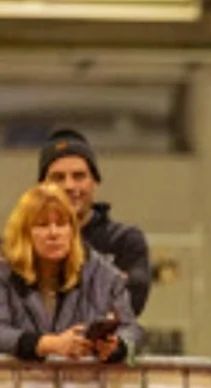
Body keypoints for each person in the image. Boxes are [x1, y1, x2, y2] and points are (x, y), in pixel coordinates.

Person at [0, 183, 143, 362]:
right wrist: (48, 344)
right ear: (24, 234)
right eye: (42, 225)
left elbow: (132, 331)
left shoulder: (105, 275)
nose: (53, 233)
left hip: (85, 378)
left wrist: (117, 346)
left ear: (73, 231)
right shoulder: (4, 274)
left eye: (61, 224)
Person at [37, 128, 152, 316]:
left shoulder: (124, 240)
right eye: (58, 177)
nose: (69, 186)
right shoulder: (17, 245)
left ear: (95, 181)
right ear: (41, 187)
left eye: (79, 176)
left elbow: (131, 301)